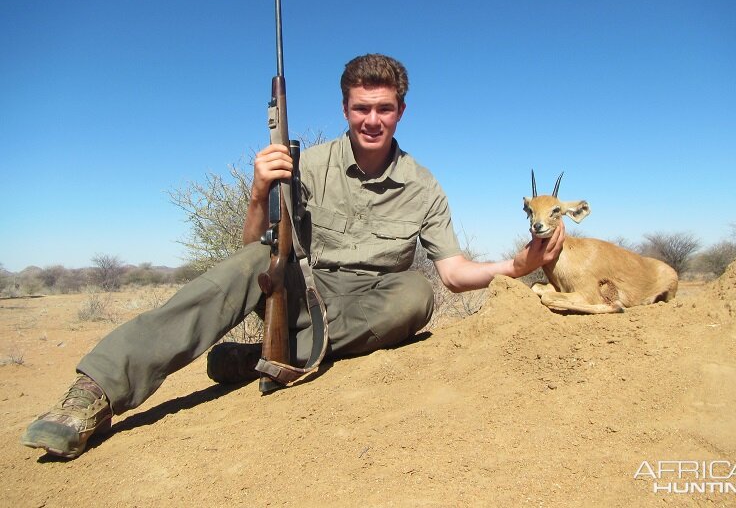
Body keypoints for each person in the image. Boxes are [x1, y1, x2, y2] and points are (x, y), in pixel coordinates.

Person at [22, 53, 564, 459]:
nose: (371, 120)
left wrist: (516, 266)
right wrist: (259, 192)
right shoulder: (309, 163)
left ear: (401, 110)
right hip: (303, 289)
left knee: (416, 292)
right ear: (345, 108)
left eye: (384, 108)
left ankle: (261, 358)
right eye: (360, 108)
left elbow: (452, 272)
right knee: (245, 266)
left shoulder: (424, 186)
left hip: (371, 304)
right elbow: (251, 250)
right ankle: (93, 393)